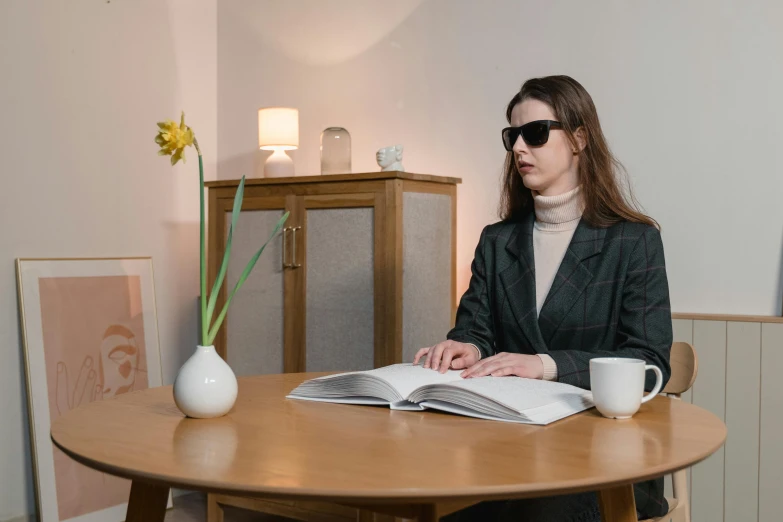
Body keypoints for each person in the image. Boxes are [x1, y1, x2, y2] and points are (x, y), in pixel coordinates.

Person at [412, 75, 673, 522]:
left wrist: (546, 366)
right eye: (511, 136)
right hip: (507, 452)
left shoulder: (634, 241)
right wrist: (467, 347)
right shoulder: (497, 241)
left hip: (607, 464)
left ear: (579, 138)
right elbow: (475, 329)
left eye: (534, 134)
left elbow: (649, 362)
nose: (518, 148)